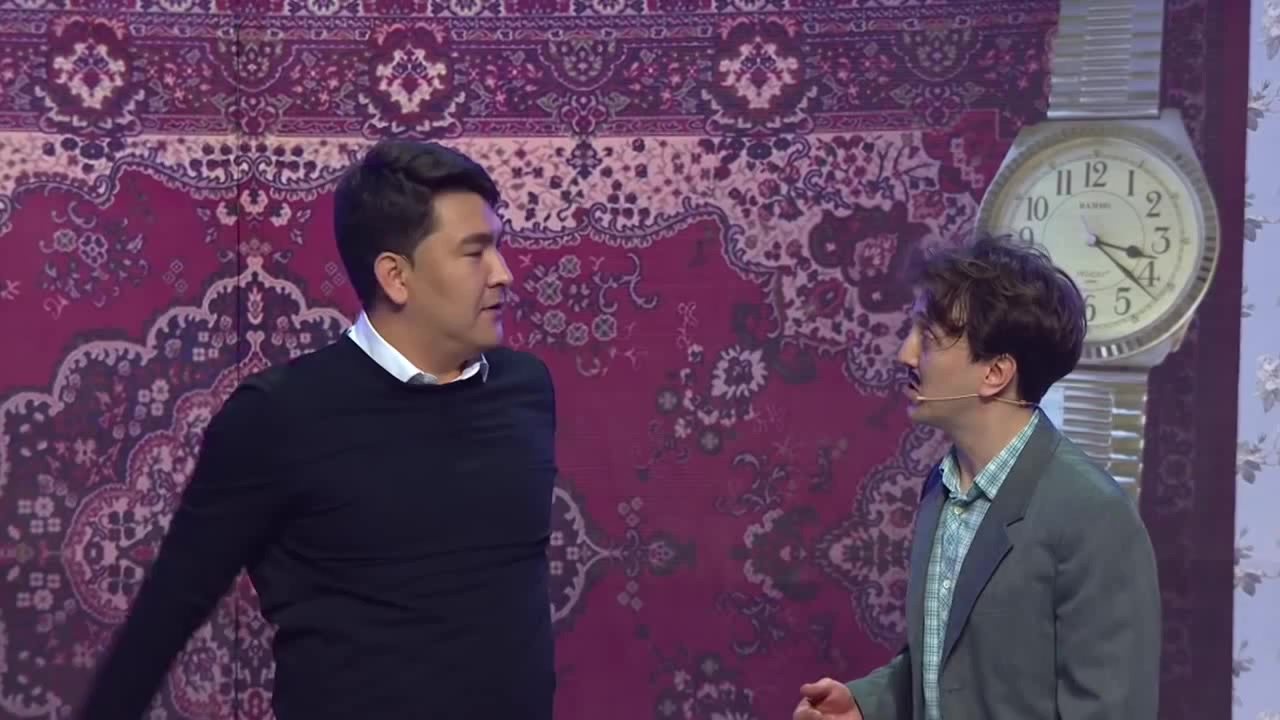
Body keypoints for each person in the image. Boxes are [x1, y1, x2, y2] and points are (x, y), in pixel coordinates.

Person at [76, 139, 559, 719]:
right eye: (474, 252)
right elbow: (165, 615)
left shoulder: (526, 390)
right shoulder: (276, 418)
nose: (504, 274)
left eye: (498, 247)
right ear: (396, 276)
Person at [794, 235, 1160, 720]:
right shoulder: (940, 486)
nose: (906, 355)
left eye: (927, 339)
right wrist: (864, 703)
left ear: (995, 373)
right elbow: (951, 663)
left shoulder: (1093, 514)